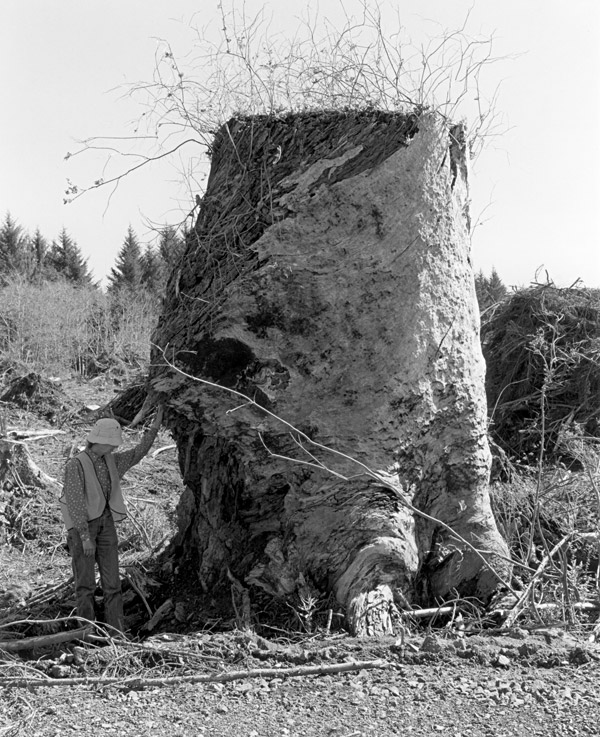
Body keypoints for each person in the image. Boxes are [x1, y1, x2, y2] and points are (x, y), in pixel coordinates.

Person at [59, 407, 163, 635]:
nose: (115, 447)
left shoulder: (113, 461)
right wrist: (85, 538)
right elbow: (74, 504)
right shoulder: (75, 465)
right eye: (112, 443)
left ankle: (117, 634)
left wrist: (155, 426)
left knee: (112, 584)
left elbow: (139, 452)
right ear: (100, 441)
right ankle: (86, 633)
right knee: (85, 586)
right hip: (81, 529)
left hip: (106, 525)